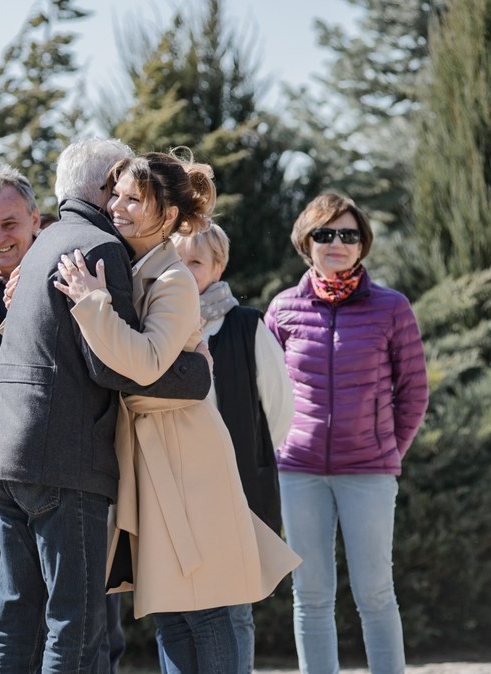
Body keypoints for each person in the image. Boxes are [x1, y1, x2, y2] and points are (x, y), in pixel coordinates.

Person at [53, 150, 299, 674]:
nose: (115, 207)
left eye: (131, 200)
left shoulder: (173, 282)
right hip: (148, 460)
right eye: (114, 194)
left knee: (205, 608)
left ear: (166, 216)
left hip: (186, 459)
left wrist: (90, 304)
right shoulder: (131, 270)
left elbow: (143, 363)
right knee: (169, 612)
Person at [0, 138, 213, 674]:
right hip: (63, 459)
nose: (124, 200)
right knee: (75, 624)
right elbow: (111, 362)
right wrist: (196, 374)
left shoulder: (42, 242)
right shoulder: (97, 247)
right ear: (109, 182)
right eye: (123, 186)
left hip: (3, 455)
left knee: (16, 620)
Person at [0, 165, 127, 671]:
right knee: (9, 620)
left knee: (92, 623)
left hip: (71, 463)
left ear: (36, 219)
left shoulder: (70, 269)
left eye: (9, 224)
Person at [265, 193, 428, 674]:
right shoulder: (284, 309)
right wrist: (281, 446)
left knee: (376, 592)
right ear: (306, 242)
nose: (336, 243)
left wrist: (386, 451)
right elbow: (266, 391)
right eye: (325, 233)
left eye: (348, 234)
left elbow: (413, 392)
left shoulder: (392, 309)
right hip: (298, 472)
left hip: (369, 474)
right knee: (310, 594)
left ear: (362, 245)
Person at [168, 222, 295, 674]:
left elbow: (278, 407)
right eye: (176, 260)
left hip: (238, 486)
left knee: (236, 606)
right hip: (177, 487)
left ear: (218, 266)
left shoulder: (246, 326)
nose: (184, 271)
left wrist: (250, 460)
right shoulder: (158, 327)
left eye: (196, 262)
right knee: (179, 605)